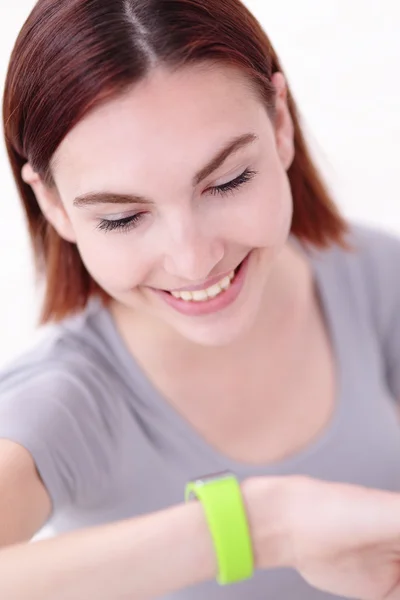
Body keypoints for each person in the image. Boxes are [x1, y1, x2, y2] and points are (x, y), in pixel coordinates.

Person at [1, 0, 400, 598]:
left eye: (228, 181)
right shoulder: (62, 405)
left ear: (281, 125)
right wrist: (265, 528)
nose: (193, 260)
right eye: (121, 217)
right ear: (54, 204)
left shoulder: (371, 277)